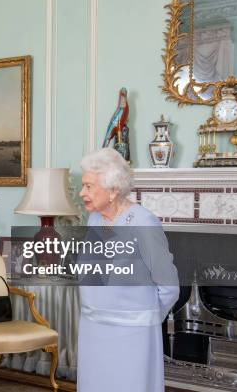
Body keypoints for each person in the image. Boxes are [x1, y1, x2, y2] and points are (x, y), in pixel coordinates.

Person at [76, 147, 179, 392]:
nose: (82, 193)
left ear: (112, 190)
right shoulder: (95, 219)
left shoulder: (144, 222)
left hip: (133, 335)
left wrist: (145, 317)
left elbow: (169, 286)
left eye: (89, 186)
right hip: (93, 329)